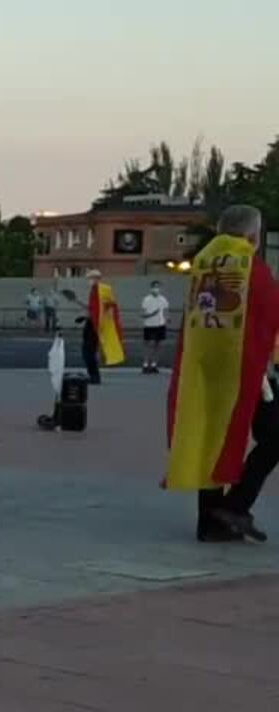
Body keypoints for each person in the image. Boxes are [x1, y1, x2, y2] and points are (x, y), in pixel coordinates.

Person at [166, 206, 279, 543]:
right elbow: (269, 312)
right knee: (275, 436)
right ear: (253, 236)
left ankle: (211, 523)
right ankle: (235, 506)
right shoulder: (250, 266)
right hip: (241, 368)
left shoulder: (205, 262)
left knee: (209, 437)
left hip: (202, 367)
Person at [140, 279, 171, 374]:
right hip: (149, 325)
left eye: (158, 287)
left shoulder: (163, 299)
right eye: (154, 287)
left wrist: (168, 318)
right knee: (149, 345)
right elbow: (142, 313)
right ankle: (145, 364)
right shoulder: (146, 299)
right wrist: (152, 314)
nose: (156, 289)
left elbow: (166, 311)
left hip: (160, 324)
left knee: (158, 345)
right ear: (151, 288)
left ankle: (154, 365)